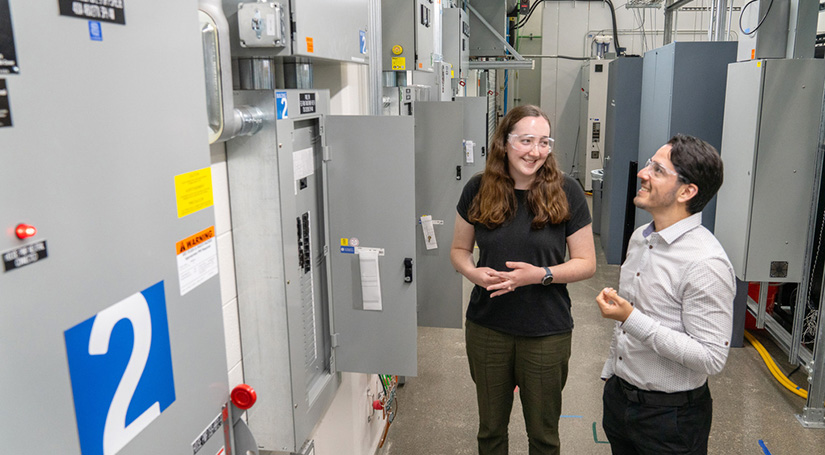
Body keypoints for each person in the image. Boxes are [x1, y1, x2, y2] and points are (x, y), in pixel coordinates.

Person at [450, 105, 596, 455]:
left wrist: (540, 275)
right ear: (504, 142)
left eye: (544, 142)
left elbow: (586, 263)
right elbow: (458, 249)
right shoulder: (478, 189)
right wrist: (472, 272)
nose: (535, 151)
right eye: (526, 140)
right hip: (488, 328)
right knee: (491, 433)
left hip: (546, 331)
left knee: (544, 437)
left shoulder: (567, 191)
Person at [596, 134, 736, 455]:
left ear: (687, 191)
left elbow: (711, 357)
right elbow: (626, 323)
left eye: (657, 170)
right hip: (621, 400)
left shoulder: (705, 263)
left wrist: (631, 319)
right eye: (649, 164)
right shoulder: (640, 239)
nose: (643, 174)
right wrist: (611, 373)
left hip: (671, 419)